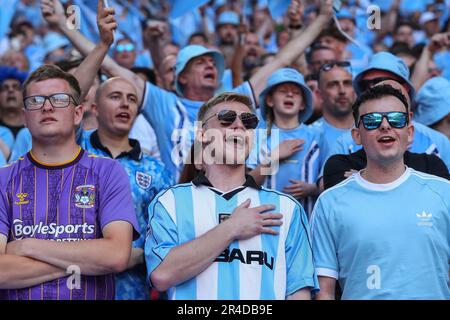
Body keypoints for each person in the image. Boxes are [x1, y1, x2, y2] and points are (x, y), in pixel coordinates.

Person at [41, 0, 335, 178]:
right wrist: (62, 27)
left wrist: (321, 20)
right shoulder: (164, 104)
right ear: (180, 76)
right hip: (178, 214)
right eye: (200, 62)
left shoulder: (230, 103)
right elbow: (111, 68)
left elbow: (282, 59)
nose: (210, 65)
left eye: (214, 62)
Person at [0, 1, 139, 300]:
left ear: (78, 114)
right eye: (36, 102)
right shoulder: (2, 179)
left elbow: (115, 256)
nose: (48, 106)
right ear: (25, 117)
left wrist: (26, 247)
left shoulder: (108, 171)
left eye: (59, 100)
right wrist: (85, 260)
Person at [145, 92, 319, 300]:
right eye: (226, 119)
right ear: (202, 134)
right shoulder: (169, 202)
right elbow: (162, 275)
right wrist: (231, 228)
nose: (239, 126)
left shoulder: (286, 208)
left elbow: (299, 292)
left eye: (249, 122)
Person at [312, 85, 450, 300]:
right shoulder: (329, 202)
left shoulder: (444, 192)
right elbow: (324, 291)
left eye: (396, 119)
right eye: (372, 120)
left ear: (410, 132)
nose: (385, 125)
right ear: (356, 136)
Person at [80, 77, 173, 300]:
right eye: (115, 97)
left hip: (133, 289)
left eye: (131, 99)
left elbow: (166, 235)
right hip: (75, 285)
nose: (125, 104)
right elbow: (66, 100)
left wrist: (142, 256)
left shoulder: (156, 170)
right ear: (94, 109)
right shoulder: (74, 151)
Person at [248, 68, 321, 215]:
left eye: (296, 92)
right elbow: (248, 184)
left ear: (302, 104)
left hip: (306, 221)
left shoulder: (317, 134)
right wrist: (272, 158)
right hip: (267, 222)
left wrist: (313, 188)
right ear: (269, 100)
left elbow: (330, 182)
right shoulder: (258, 136)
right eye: (283, 91)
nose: (289, 94)